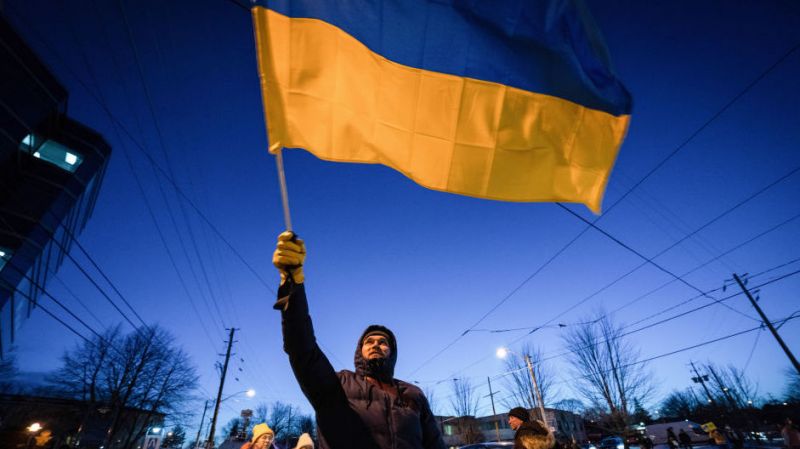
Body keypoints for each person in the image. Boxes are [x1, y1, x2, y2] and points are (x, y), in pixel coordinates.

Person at [271, 231, 445, 449]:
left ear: (392, 352)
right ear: (359, 349)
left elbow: (435, 443)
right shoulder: (337, 385)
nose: (376, 345)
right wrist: (292, 284)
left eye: (383, 342)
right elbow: (302, 349)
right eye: (369, 341)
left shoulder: (413, 393)